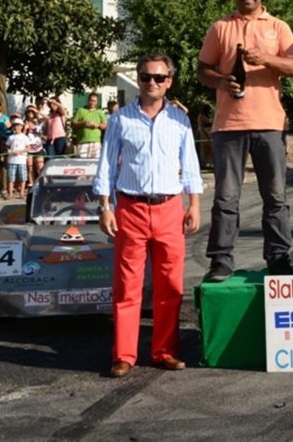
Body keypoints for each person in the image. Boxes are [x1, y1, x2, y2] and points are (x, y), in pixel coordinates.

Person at [93, 53, 202, 378]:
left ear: (169, 81)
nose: (151, 83)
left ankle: (165, 351)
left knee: (170, 284)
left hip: (170, 208)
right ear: (138, 79)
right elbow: (106, 165)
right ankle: (124, 354)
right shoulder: (120, 119)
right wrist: (104, 206)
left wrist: (194, 204)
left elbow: (191, 164)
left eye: (159, 77)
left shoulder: (180, 121)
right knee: (128, 285)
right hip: (131, 207)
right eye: (145, 77)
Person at [198, 0, 293, 282]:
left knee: (276, 196)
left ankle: (278, 257)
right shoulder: (220, 28)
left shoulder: (279, 27)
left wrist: (266, 59)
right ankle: (221, 260)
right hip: (228, 125)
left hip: (269, 122)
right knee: (226, 197)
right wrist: (220, 81)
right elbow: (202, 70)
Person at [72, 93, 108, 159]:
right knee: (81, 164)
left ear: (97, 102)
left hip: (96, 143)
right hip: (82, 143)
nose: (92, 103)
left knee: (95, 165)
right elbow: (73, 124)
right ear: (88, 100)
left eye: (94, 101)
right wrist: (83, 123)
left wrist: (97, 125)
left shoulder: (99, 112)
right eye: (91, 100)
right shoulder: (81, 110)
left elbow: (106, 126)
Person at [4, 118, 29, 199]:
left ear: (22, 127)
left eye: (18, 125)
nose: (16, 127)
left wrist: (21, 151)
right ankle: (10, 193)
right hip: (12, 160)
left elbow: (28, 148)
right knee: (11, 177)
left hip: (22, 160)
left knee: (22, 177)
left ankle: (21, 193)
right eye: (15, 126)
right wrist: (10, 151)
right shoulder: (11, 137)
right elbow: (7, 147)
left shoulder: (24, 137)